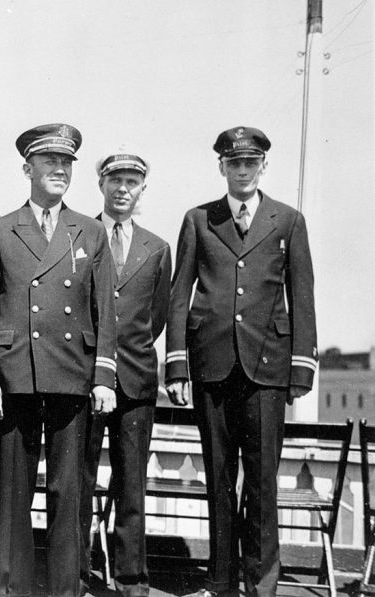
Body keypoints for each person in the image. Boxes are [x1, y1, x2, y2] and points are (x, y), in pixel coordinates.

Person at [165, 127, 317, 597]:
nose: (243, 171)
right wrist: (175, 366)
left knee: (262, 483)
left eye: (251, 163)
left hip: (267, 369)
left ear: (263, 166)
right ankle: (220, 581)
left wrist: (301, 367)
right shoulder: (198, 220)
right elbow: (178, 294)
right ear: (222, 168)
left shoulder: (288, 220)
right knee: (218, 480)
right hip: (211, 366)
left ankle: (262, 583)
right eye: (235, 164)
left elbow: (302, 295)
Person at [0, 123, 118, 597]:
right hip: (15, 373)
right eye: (49, 162)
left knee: (66, 492)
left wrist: (104, 377)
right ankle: (10, 587)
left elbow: (104, 310)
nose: (59, 170)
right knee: (13, 489)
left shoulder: (90, 232)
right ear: (27, 168)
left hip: (72, 374)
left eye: (67, 163)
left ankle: (62, 589)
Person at [78, 153, 171, 596]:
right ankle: (75, 572)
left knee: (131, 484)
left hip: (135, 381)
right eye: (115, 180)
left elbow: (157, 317)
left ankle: (131, 579)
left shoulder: (157, 248)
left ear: (142, 190)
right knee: (78, 479)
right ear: (100, 184)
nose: (122, 189)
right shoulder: (80, 235)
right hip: (84, 377)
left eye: (132, 182)